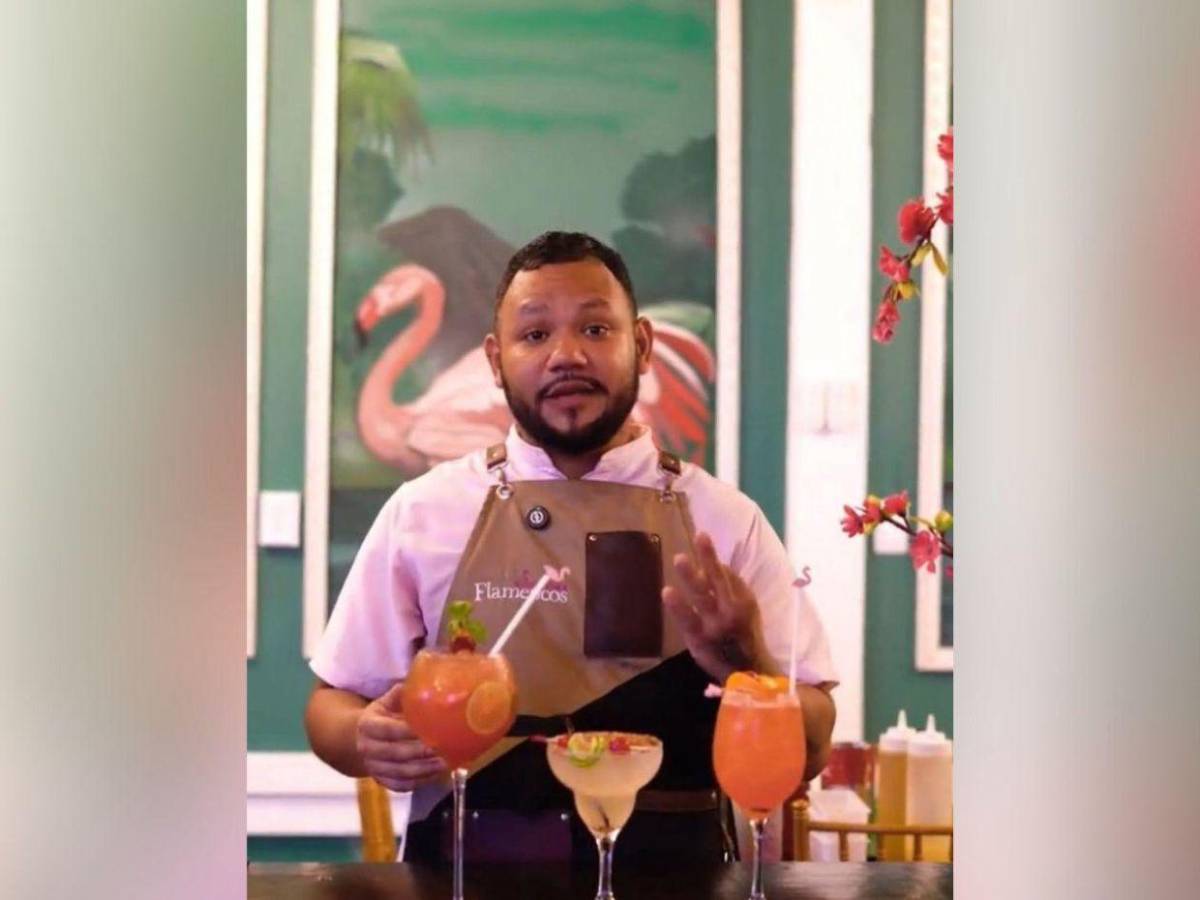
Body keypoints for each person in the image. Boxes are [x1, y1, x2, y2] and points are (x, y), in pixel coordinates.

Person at [304, 231, 837, 863]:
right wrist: (363, 737)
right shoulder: (424, 511)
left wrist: (748, 663)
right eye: (534, 335)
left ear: (641, 345)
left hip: (679, 878)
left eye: (595, 329)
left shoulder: (727, 522)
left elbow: (814, 745)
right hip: (465, 874)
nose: (566, 356)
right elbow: (331, 705)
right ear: (495, 360)